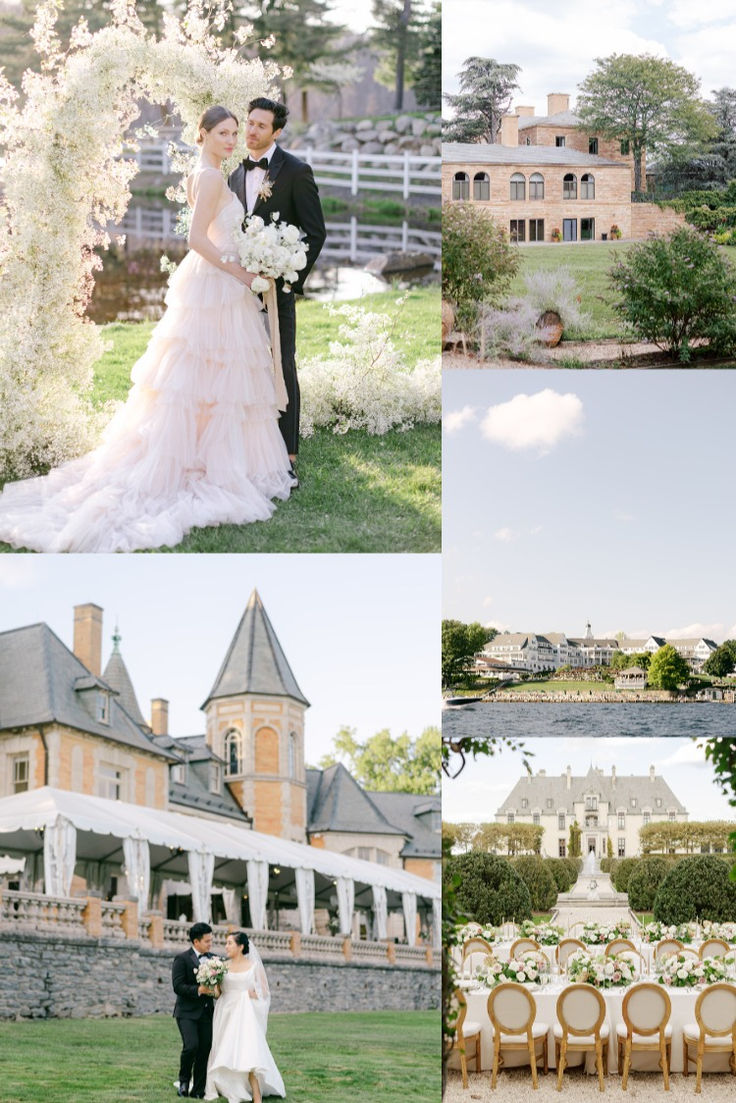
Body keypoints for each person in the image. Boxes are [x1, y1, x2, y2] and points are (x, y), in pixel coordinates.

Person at [0, 105, 295, 553]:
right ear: (203, 134)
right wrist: (240, 273)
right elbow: (196, 241)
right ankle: (204, 465)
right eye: (224, 132)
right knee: (212, 376)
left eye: (236, 132)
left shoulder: (203, 174)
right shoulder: (213, 178)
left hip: (215, 281)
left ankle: (203, 455)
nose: (233, 139)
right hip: (218, 282)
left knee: (205, 379)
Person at [228, 97, 326, 481]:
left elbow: (315, 233)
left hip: (277, 290)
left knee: (282, 365)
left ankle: (288, 455)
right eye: (249, 123)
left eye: (260, 126)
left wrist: (286, 277)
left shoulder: (296, 171)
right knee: (244, 365)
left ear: (277, 132)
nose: (251, 131)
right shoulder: (235, 174)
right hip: (238, 292)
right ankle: (251, 446)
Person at [205, 931, 285, 1103]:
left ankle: (256, 1094)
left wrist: (251, 994)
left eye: (229, 943)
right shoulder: (221, 966)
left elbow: (264, 992)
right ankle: (226, 1085)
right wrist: (210, 983)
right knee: (224, 1048)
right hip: (226, 1011)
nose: (226, 947)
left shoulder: (254, 966)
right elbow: (218, 993)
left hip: (245, 1014)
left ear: (240, 946)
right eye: (225, 943)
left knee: (248, 1050)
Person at [172, 921, 217, 1099]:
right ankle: (183, 1082)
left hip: (206, 1013)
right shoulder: (181, 959)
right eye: (207, 941)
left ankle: (198, 1089)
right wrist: (199, 990)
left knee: (204, 1050)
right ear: (196, 942)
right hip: (186, 1013)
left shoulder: (215, 960)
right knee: (191, 1046)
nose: (210, 944)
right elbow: (178, 986)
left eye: (211, 940)